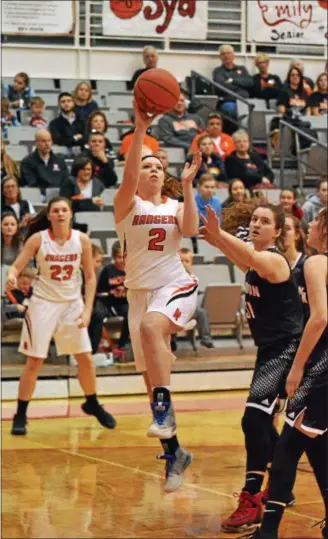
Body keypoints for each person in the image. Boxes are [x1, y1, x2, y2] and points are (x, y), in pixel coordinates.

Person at [114, 99, 201, 492]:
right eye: (146, 165)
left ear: (164, 176)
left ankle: (173, 330)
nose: (151, 169)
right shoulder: (126, 205)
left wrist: (186, 184)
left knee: (153, 325)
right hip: (139, 295)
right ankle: (175, 454)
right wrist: (140, 130)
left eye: (157, 166)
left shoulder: (177, 204)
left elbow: (194, 230)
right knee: (152, 388)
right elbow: (130, 172)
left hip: (175, 284)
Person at [199, 203, 303, 532]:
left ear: (276, 231)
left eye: (265, 221)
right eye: (254, 220)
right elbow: (236, 253)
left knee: (253, 418)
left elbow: (250, 256)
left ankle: (257, 493)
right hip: (268, 352)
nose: (257, 224)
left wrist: (220, 235)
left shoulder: (273, 260)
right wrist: (215, 236)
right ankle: (274, 486)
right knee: (257, 422)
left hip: (286, 350)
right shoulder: (251, 261)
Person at [244, 208, 327, 539]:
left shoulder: (315, 262)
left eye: (316, 222)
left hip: (320, 369)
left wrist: (296, 367)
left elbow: (319, 318)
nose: (310, 227)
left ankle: (269, 530)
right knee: (317, 445)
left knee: (288, 446)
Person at [5, 197, 116, 436]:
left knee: (85, 358)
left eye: (65, 210)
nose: (61, 214)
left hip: (71, 304)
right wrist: (12, 275)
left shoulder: (82, 240)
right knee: (34, 361)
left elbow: (89, 277)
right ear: (50, 216)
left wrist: (87, 311)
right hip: (43, 304)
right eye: (56, 210)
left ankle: (92, 403)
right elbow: (16, 266)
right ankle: (21, 414)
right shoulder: (38, 239)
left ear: (71, 214)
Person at [97, 241, 130, 359]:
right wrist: (112, 293)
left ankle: (121, 345)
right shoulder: (108, 270)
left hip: (127, 303)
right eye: (119, 257)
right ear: (113, 257)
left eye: (124, 257)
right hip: (111, 303)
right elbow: (100, 291)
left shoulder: (133, 269)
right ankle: (103, 346)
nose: (122, 260)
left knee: (131, 314)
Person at [179, 247, 214, 348]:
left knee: (202, 313)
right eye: (181, 261)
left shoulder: (192, 278)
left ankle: (206, 340)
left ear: (191, 263)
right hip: (174, 308)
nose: (184, 264)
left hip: (189, 309)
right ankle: (172, 342)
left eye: (187, 261)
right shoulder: (172, 276)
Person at [20, 129, 70, 194]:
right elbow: (32, 184)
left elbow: (66, 181)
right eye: (43, 141)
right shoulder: (27, 162)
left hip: (59, 196)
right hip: (38, 196)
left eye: (49, 140)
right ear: (36, 143)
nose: (47, 144)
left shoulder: (60, 161)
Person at [212, 45, 253, 118]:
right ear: (220, 57)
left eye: (228, 53)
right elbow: (222, 87)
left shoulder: (242, 68)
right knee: (232, 109)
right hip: (228, 101)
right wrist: (241, 85)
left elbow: (250, 82)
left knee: (257, 111)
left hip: (245, 101)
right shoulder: (218, 71)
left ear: (233, 55)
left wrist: (233, 81)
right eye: (223, 54)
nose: (226, 56)